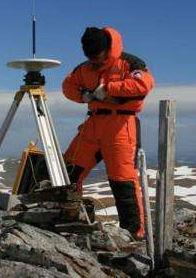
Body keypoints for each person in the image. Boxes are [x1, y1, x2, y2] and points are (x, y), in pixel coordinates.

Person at [62, 26, 154, 239]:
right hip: (93, 123)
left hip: (120, 125)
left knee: (122, 181)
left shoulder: (130, 63)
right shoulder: (84, 68)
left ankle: (133, 234)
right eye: (91, 57)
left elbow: (143, 84)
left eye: (99, 57)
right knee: (68, 171)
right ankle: (68, 218)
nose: (95, 61)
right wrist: (83, 95)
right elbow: (68, 86)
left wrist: (110, 89)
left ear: (107, 48)